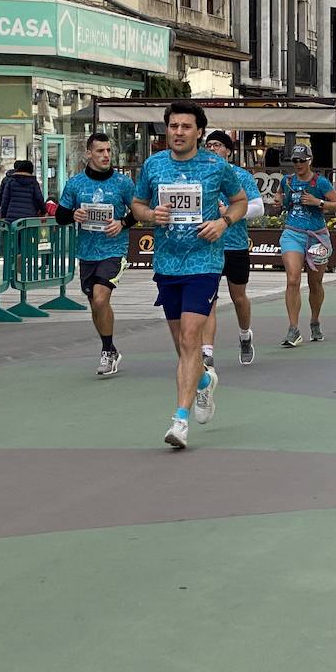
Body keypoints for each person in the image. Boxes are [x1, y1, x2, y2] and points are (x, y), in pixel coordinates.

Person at [130, 102, 247, 450]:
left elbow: (239, 201)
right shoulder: (153, 165)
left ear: (199, 131)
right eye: (173, 126)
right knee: (182, 346)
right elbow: (137, 205)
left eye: (186, 126)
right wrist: (152, 214)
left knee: (190, 340)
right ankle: (204, 381)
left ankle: (179, 421)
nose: (178, 132)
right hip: (167, 264)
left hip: (204, 263)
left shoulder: (216, 166)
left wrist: (223, 222)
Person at [54, 132, 136, 378]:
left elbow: (140, 210)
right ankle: (110, 349)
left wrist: (122, 222)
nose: (106, 155)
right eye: (100, 151)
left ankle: (107, 351)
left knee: (101, 298)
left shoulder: (123, 183)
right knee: (95, 304)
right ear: (88, 153)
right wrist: (73, 216)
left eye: (109, 151)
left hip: (113, 249)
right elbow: (60, 215)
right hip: (87, 251)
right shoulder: (76, 183)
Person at [203, 130, 265, 367]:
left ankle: (245, 334)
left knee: (238, 297)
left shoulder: (240, 175)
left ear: (228, 150)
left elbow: (258, 208)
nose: (213, 149)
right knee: (208, 298)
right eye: (209, 145)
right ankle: (206, 351)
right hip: (208, 246)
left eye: (217, 145)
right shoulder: (202, 175)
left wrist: (228, 213)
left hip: (235, 245)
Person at [275, 143, 336, 348]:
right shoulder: (287, 181)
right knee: (293, 278)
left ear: (309, 161)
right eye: (294, 160)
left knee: (315, 283)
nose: (297, 164)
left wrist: (318, 202)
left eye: (301, 160)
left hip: (317, 236)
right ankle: (293, 329)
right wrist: (279, 202)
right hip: (292, 233)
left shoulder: (320, 182)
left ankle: (315, 320)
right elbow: (282, 201)